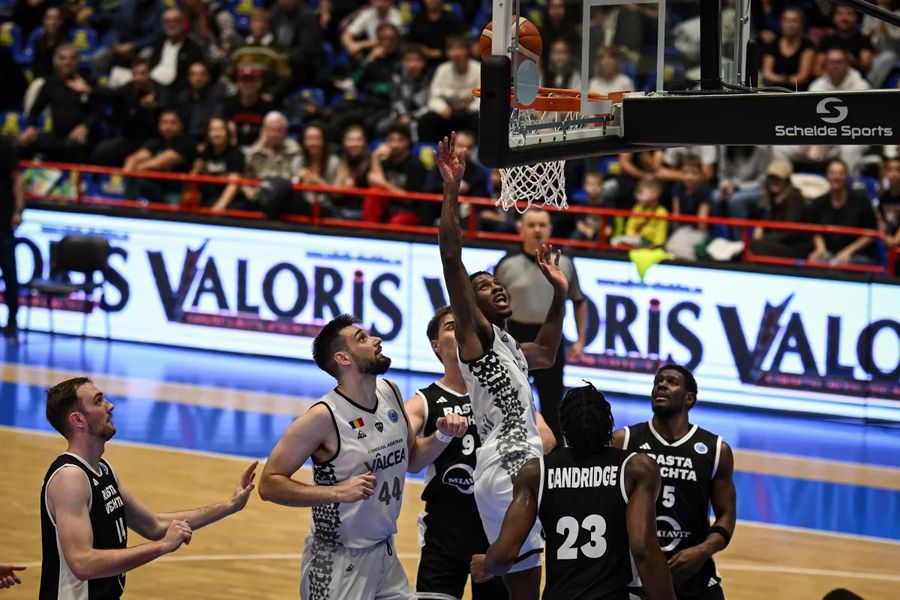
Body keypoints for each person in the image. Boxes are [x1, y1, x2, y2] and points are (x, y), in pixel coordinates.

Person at [436, 132, 569, 598]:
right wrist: (452, 190)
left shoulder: (511, 346)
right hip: (509, 464)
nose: (496, 288)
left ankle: (490, 564)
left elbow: (548, 353)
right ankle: (488, 565)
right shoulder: (476, 338)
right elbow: (451, 256)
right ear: (471, 305)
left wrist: (560, 296)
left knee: (527, 589)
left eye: (498, 283)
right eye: (485, 286)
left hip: (510, 468)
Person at [258, 314, 468, 600]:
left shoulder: (390, 392)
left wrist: (442, 436)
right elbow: (269, 484)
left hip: (384, 553)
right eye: (363, 339)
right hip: (336, 559)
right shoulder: (323, 417)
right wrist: (336, 492)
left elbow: (413, 461)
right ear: (343, 358)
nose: (376, 340)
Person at [40, 377, 257, 599]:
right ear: (78, 420)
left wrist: (230, 505)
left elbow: (153, 525)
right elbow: (82, 563)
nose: (110, 406)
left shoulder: (103, 470)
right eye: (98, 402)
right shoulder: (70, 478)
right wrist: (162, 547)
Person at [471, 384, 677, 600]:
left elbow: (504, 555)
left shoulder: (535, 472)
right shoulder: (636, 469)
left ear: (564, 427)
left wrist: (487, 563)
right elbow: (643, 548)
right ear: (608, 422)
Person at [405, 306, 515, 600]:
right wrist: (442, 435)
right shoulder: (422, 401)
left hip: (495, 526)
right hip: (445, 527)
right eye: (452, 327)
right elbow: (411, 461)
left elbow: (545, 437)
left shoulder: (499, 392)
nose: (462, 331)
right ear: (436, 345)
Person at [612, 364, 737, 600]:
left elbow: (727, 515)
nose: (661, 385)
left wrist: (702, 551)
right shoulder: (624, 440)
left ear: (689, 398)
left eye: (671, 382)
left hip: (694, 573)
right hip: (635, 576)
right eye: (658, 381)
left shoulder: (716, 449)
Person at [494, 208, 587, 442]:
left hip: (551, 338)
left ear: (550, 229)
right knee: (509, 396)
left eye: (542, 225)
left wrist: (581, 340)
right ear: (520, 229)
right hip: (514, 335)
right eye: (532, 224)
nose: (537, 230)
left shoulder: (565, 263)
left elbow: (578, 301)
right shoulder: (506, 264)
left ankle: (554, 454)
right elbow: (493, 308)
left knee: (553, 400)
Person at [19, 44, 97, 162]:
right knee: (24, 142)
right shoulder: (50, 83)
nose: (67, 62)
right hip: (57, 135)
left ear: (78, 61)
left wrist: (85, 127)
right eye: (63, 58)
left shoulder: (89, 82)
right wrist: (31, 127)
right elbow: (35, 110)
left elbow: (97, 110)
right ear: (56, 62)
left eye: (72, 58)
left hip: (82, 135)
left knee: (72, 146)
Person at [808, 159, 880, 266]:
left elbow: (870, 234)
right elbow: (814, 230)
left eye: (841, 173)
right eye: (832, 173)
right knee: (814, 261)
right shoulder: (819, 203)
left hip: (857, 254)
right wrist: (820, 248)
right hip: (829, 253)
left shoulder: (862, 201)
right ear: (827, 176)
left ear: (847, 177)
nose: (836, 177)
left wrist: (847, 252)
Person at [748, 159, 811, 259]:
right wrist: (761, 227)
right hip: (781, 242)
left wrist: (765, 239)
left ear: (786, 181)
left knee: (755, 245)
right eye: (771, 178)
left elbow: (789, 232)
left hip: (794, 246)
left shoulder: (794, 197)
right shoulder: (773, 197)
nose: (773, 182)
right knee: (751, 245)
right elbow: (769, 222)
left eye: (778, 179)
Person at [191, 117, 245, 211]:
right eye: (212, 130)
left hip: (230, 202)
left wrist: (219, 207)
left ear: (227, 132)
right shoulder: (204, 152)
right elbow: (192, 181)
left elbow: (234, 184)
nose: (216, 134)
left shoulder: (236, 153)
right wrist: (195, 171)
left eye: (220, 130)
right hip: (207, 199)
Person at [0, 135, 23, 339]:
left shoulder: (4, 146)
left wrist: (18, 211)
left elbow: (17, 179)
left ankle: (12, 319)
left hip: (3, 221)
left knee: (9, 274)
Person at [761, 8, 815, 90]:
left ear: (801, 24)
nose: (790, 24)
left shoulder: (807, 46)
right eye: (786, 20)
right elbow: (767, 73)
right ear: (781, 23)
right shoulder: (773, 44)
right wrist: (785, 80)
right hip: (774, 91)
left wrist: (783, 80)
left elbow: (803, 76)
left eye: (795, 20)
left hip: (799, 91)